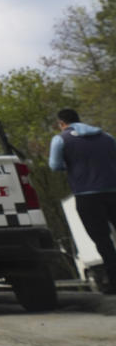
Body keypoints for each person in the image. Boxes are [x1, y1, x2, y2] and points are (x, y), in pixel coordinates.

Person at [49, 108, 116, 294]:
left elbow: (55, 165)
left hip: (87, 195)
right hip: (113, 190)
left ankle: (114, 281)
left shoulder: (61, 139)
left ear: (61, 123)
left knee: (102, 239)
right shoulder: (106, 136)